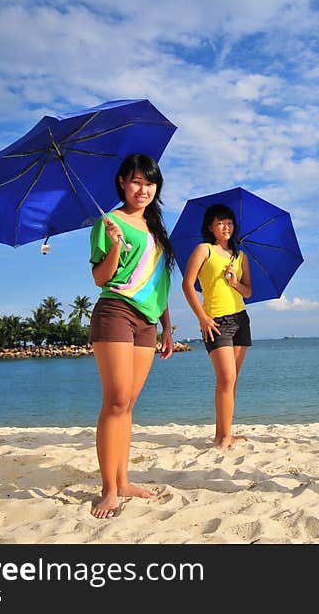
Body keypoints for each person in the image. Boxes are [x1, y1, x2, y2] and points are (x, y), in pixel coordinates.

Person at [87, 154, 176, 519]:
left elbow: (160, 284)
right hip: (116, 311)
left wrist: (167, 326)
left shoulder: (156, 230)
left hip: (148, 321)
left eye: (150, 183)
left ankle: (123, 481)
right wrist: (113, 243)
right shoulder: (108, 222)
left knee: (129, 403)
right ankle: (109, 489)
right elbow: (100, 278)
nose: (144, 189)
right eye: (137, 181)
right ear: (123, 182)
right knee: (117, 400)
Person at [182, 203, 252, 450]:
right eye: (221, 222)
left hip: (240, 319)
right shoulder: (204, 250)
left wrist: (234, 282)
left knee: (232, 381)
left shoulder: (241, 256)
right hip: (215, 320)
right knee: (225, 378)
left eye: (230, 222)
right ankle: (222, 437)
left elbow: (249, 291)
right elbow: (187, 285)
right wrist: (202, 317)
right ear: (211, 227)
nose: (226, 227)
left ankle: (224, 433)